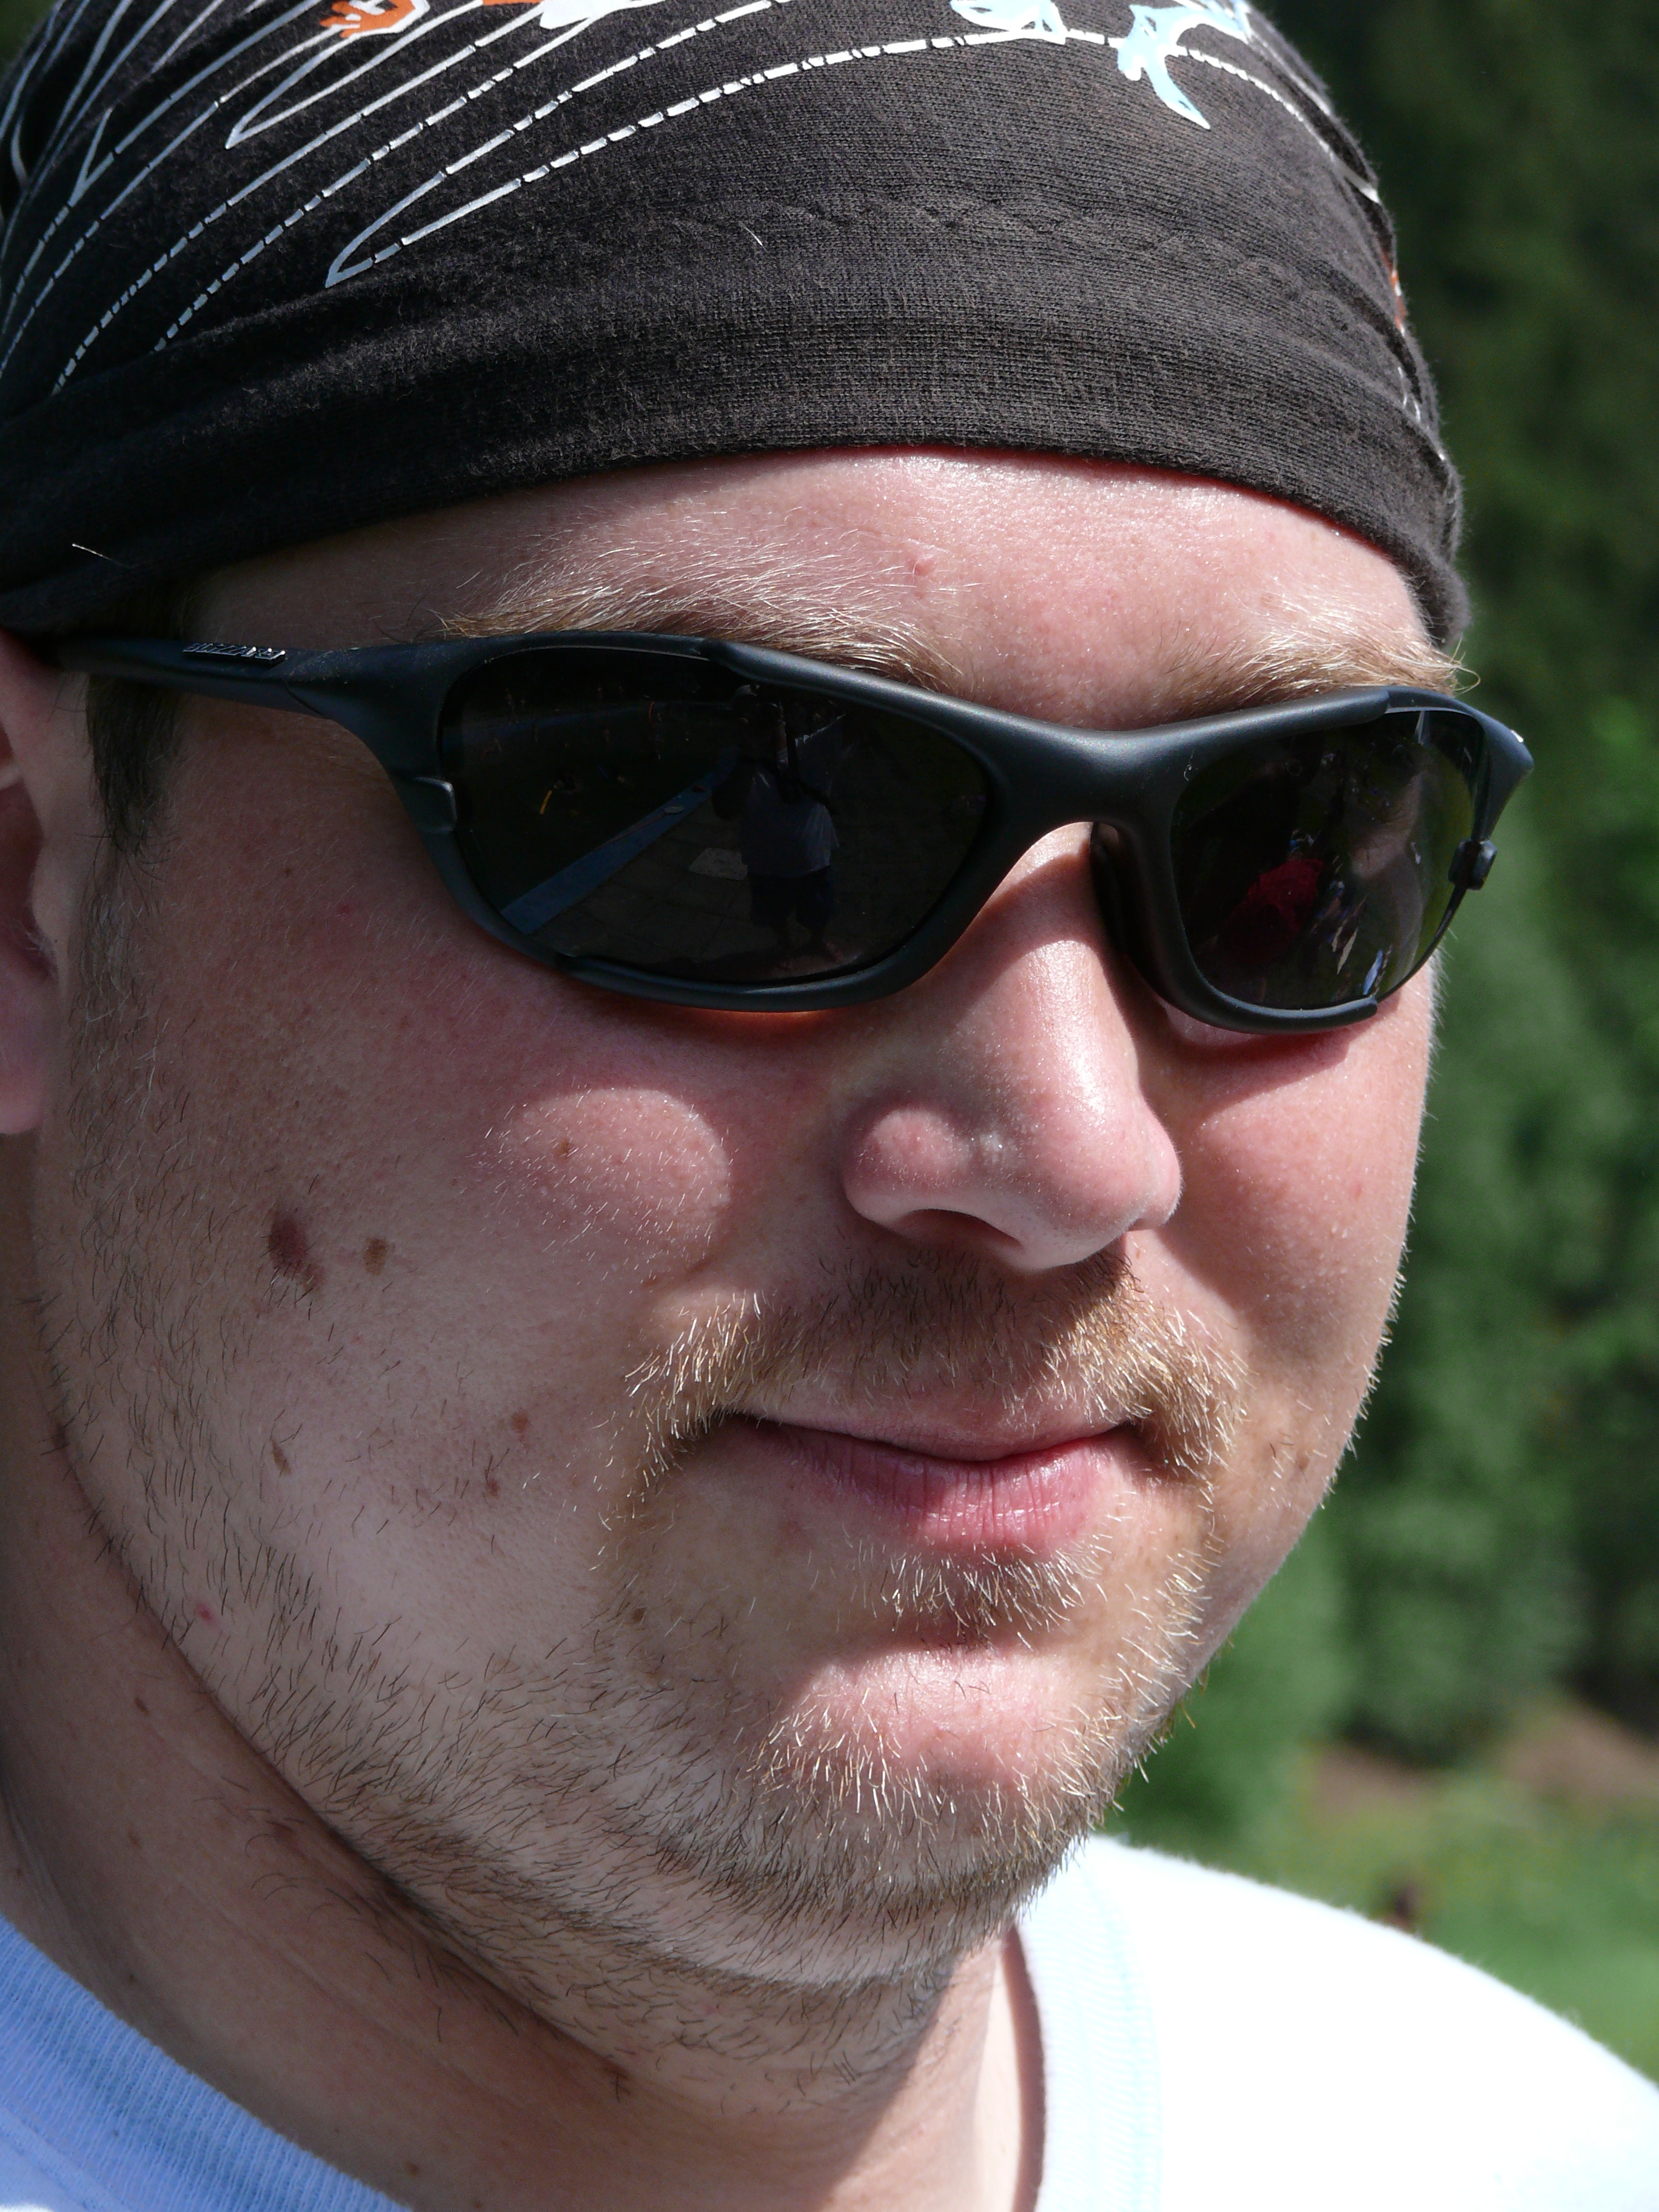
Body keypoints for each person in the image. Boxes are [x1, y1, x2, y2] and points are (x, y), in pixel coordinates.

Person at [0, 1, 1653, 2208]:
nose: (1073, 1151)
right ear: (26, 879)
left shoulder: (1510, 2152)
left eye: (1295, 838)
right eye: (724, 816)